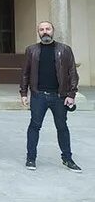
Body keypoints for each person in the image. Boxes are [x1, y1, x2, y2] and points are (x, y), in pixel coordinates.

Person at [20, 21, 81, 172]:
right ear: (38, 32)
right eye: (41, 29)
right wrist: (23, 93)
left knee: (62, 127)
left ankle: (67, 159)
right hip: (38, 95)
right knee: (34, 126)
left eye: (47, 29)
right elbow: (25, 73)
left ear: (53, 31)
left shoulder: (65, 50)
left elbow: (72, 72)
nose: (45, 32)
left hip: (59, 97)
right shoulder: (31, 50)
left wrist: (71, 94)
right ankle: (31, 158)